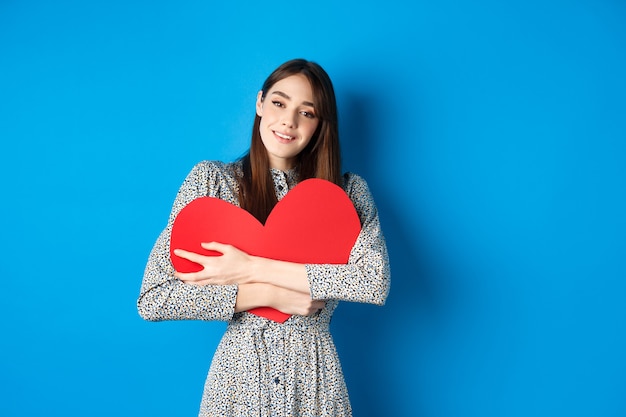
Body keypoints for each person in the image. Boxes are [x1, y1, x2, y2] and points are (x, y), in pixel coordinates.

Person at [137, 58, 390, 417]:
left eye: (307, 112)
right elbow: (155, 298)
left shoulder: (348, 194)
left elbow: (373, 282)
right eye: (279, 103)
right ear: (259, 103)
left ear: (321, 125)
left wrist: (252, 266)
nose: (288, 121)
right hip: (238, 383)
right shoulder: (213, 183)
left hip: (316, 380)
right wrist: (267, 293)